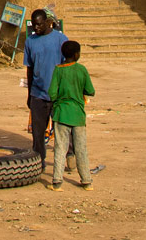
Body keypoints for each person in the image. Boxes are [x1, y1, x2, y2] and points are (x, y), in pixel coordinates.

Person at [47, 39, 95, 191]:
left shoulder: (58, 70)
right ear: (76, 55)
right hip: (78, 115)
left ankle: (57, 181)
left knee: (60, 148)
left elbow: (52, 93)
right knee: (81, 148)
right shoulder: (82, 70)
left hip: (61, 114)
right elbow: (90, 90)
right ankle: (86, 181)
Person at [24, 8, 69, 169]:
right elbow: (29, 69)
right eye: (34, 25)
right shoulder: (30, 41)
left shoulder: (60, 39)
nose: (36, 28)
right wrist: (29, 95)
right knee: (38, 131)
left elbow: (67, 65)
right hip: (38, 93)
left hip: (58, 94)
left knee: (63, 129)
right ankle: (39, 160)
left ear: (48, 23)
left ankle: (69, 155)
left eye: (39, 25)